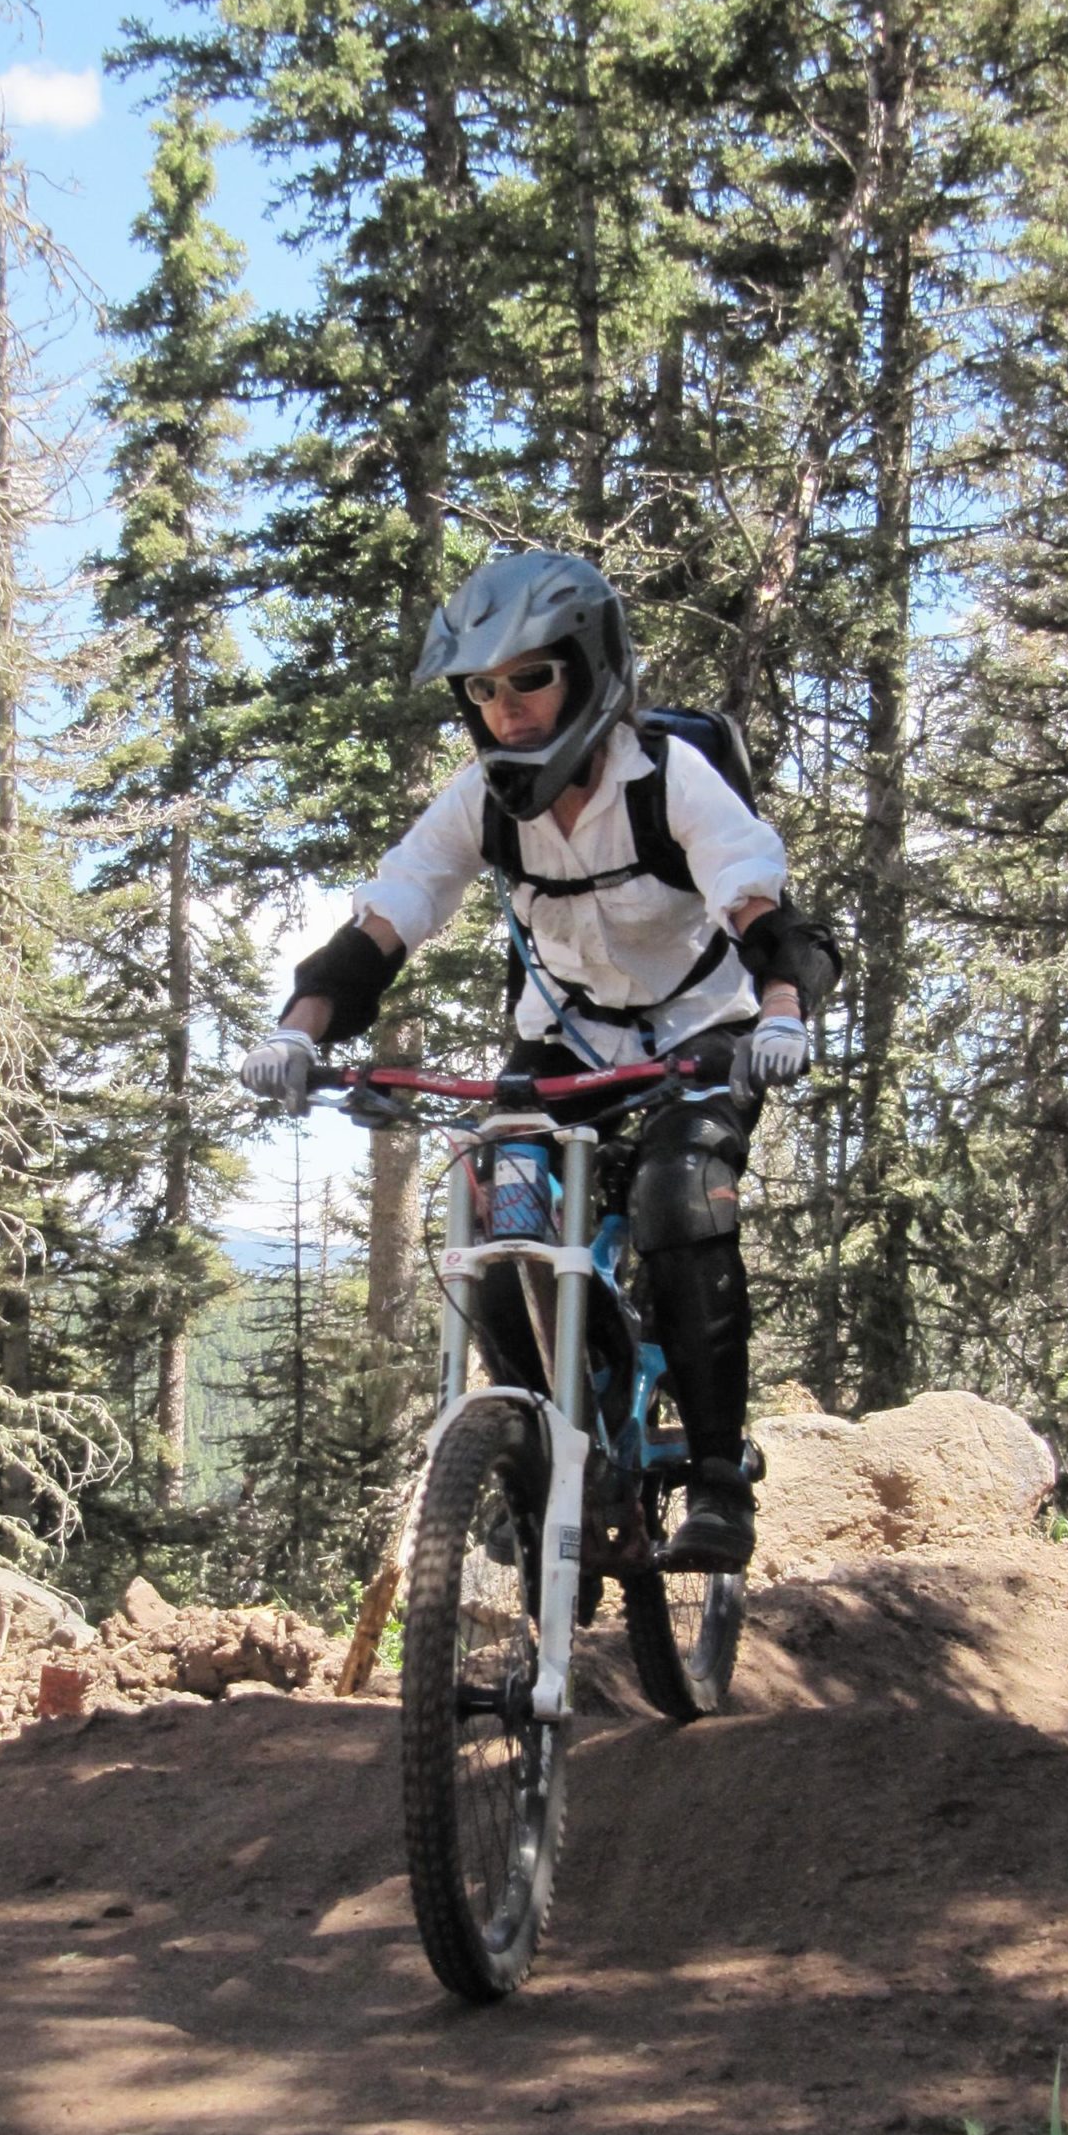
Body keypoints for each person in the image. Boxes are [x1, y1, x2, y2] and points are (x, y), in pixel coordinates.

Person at [239, 551, 839, 1570]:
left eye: (530, 678)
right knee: (489, 1207)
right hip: (569, 1037)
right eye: (483, 688)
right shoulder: (483, 798)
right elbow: (392, 913)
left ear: (588, 666)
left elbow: (755, 901)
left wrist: (781, 1014)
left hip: (704, 1029)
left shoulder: (668, 778)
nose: (506, 708)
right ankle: (537, 1459)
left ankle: (718, 1485)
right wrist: (298, 1030)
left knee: (679, 1197)